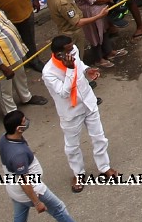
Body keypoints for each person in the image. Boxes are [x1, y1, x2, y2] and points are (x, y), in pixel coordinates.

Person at [0, 107, 101, 222]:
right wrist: (37, 202)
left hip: (13, 190)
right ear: (18, 129)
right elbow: (25, 182)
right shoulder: (17, 155)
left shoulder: (3, 140)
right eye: (25, 122)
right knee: (59, 208)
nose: (27, 123)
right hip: (32, 190)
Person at [39, 35, 115, 189]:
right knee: (72, 146)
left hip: (88, 101)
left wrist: (87, 70)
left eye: (73, 48)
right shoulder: (48, 72)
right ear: (59, 54)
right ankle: (78, 174)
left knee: (99, 137)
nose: (73, 51)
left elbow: (79, 64)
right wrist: (69, 70)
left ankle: (104, 167)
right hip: (71, 112)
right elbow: (64, 92)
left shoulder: (72, 50)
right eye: (69, 50)